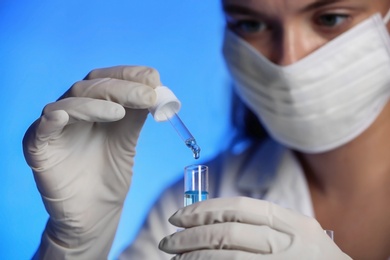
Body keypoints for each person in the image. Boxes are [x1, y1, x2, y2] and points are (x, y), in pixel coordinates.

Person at [22, 0, 390, 259]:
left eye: (331, 18)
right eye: (251, 23)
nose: (287, 62)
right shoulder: (196, 198)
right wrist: (75, 247)